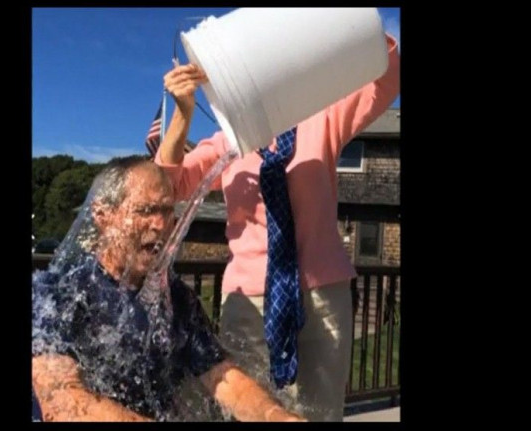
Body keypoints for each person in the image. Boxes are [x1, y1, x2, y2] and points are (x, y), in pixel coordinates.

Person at [155, 32, 400, 421]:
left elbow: (386, 74)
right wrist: (183, 112)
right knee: (248, 409)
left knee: (321, 410)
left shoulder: (322, 119)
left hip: (322, 295)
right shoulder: (225, 143)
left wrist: (342, 24)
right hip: (247, 299)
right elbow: (168, 185)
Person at [31, 156, 305, 422]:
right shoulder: (58, 293)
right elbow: (60, 401)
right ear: (103, 215)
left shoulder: (175, 298)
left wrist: (275, 415)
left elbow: (222, 375)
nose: (162, 225)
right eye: (145, 211)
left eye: (167, 211)